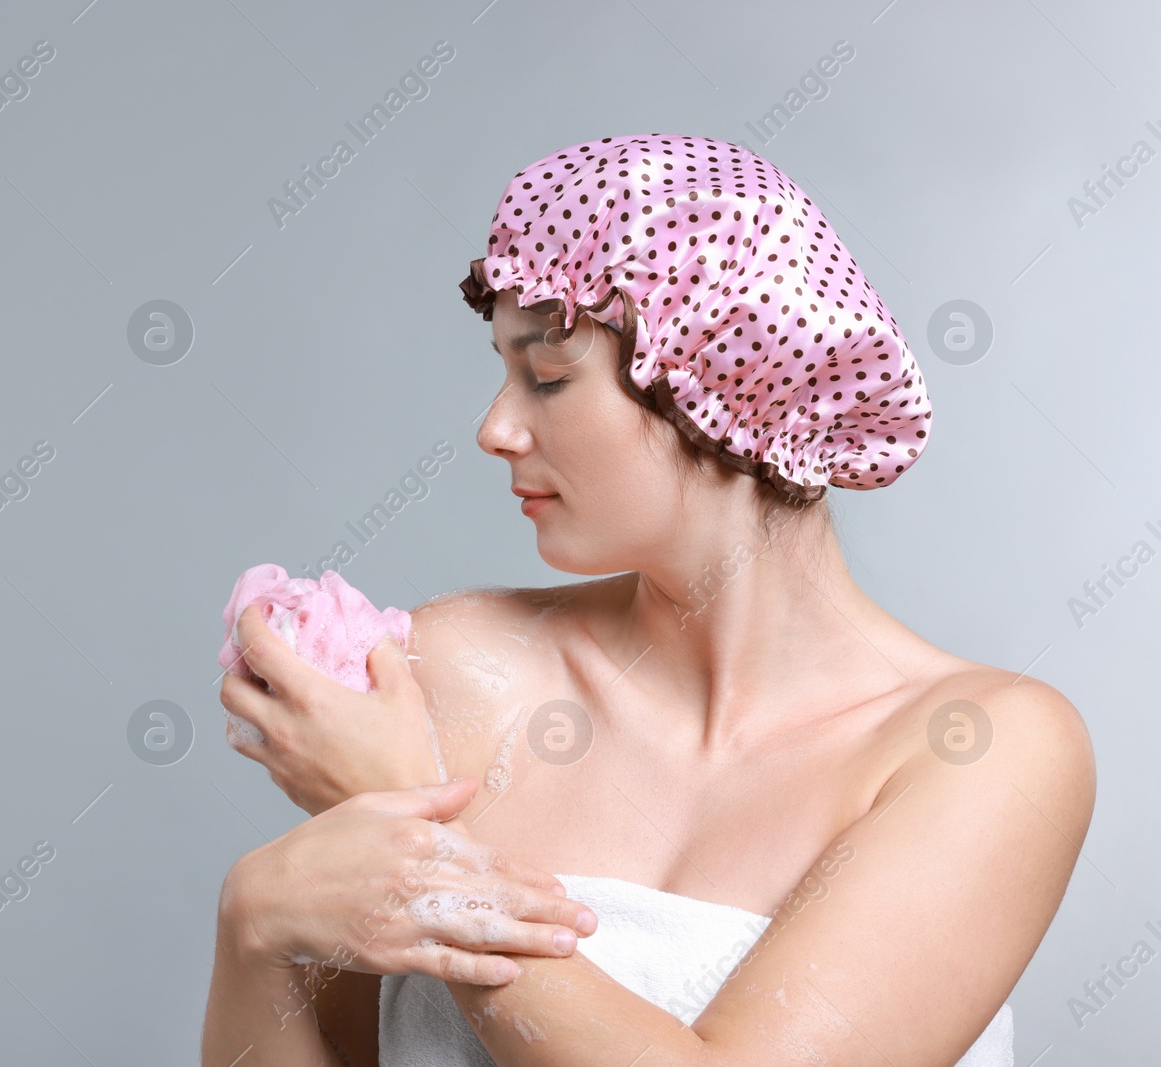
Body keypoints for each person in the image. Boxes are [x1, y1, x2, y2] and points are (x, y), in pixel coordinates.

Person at [201, 135, 1095, 1066]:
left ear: (714, 387)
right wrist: (251, 928)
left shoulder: (981, 747)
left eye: (547, 378)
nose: (496, 428)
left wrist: (426, 844)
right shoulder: (452, 669)